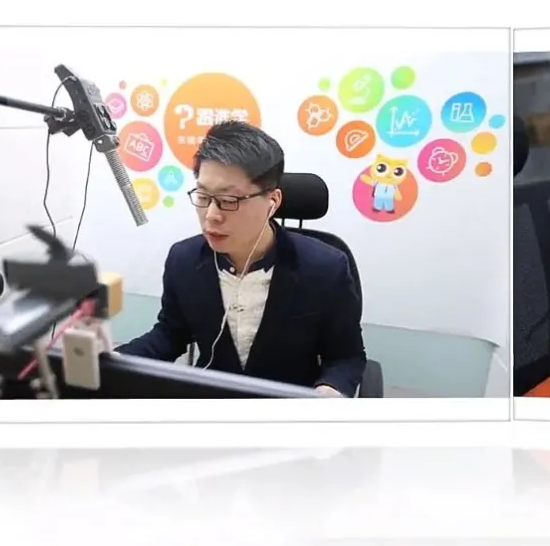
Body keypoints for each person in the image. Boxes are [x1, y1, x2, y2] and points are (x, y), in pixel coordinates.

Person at [116, 121, 367, 397]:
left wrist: (330, 390)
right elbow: (169, 335)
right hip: (213, 403)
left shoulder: (325, 268)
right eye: (203, 196)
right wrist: (113, 361)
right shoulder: (183, 260)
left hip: (289, 407)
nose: (212, 215)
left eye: (228, 200)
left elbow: (346, 357)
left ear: (272, 202)